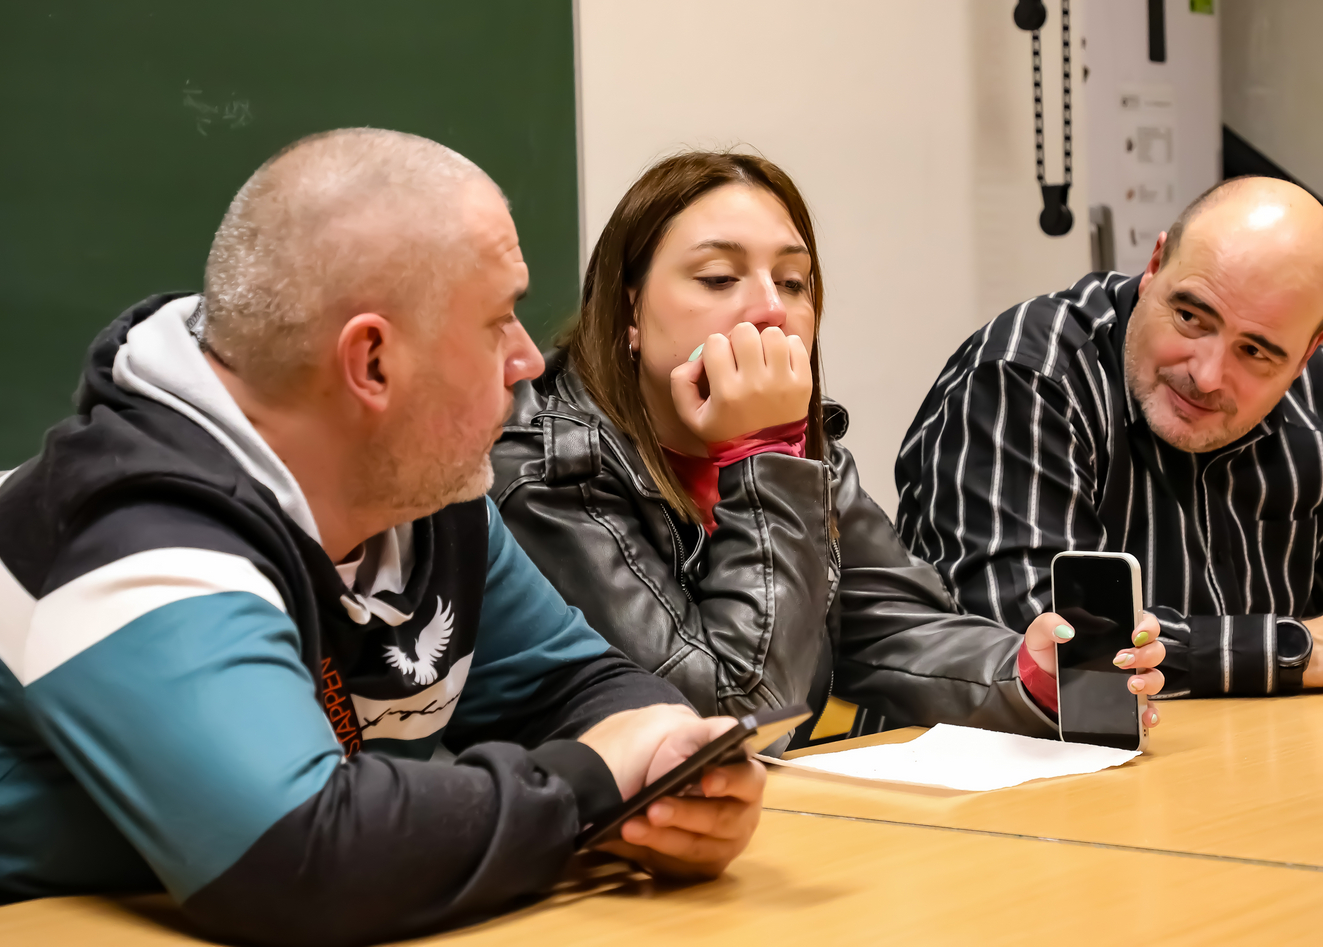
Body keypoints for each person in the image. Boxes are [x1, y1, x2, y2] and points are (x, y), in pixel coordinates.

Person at [0, 130, 766, 943]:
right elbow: (298, 859)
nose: (528, 359)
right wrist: (596, 783)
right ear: (372, 361)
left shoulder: (420, 486)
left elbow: (576, 684)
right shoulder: (133, 532)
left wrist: (665, 766)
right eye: (498, 322)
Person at [489, 151, 1165, 748]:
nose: (771, 309)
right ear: (629, 312)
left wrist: (1027, 675)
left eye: (792, 282)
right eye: (718, 278)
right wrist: (762, 456)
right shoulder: (546, 467)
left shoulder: (798, 450)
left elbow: (892, 630)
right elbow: (727, 723)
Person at [895, 175, 1323, 698]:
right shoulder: (1028, 377)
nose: (1207, 375)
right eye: (1192, 318)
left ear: (1309, 351)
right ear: (1154, 265)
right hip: (992, 764)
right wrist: (1304, 649)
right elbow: (1048, 642)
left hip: (1239, 754)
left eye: (1256, 352)